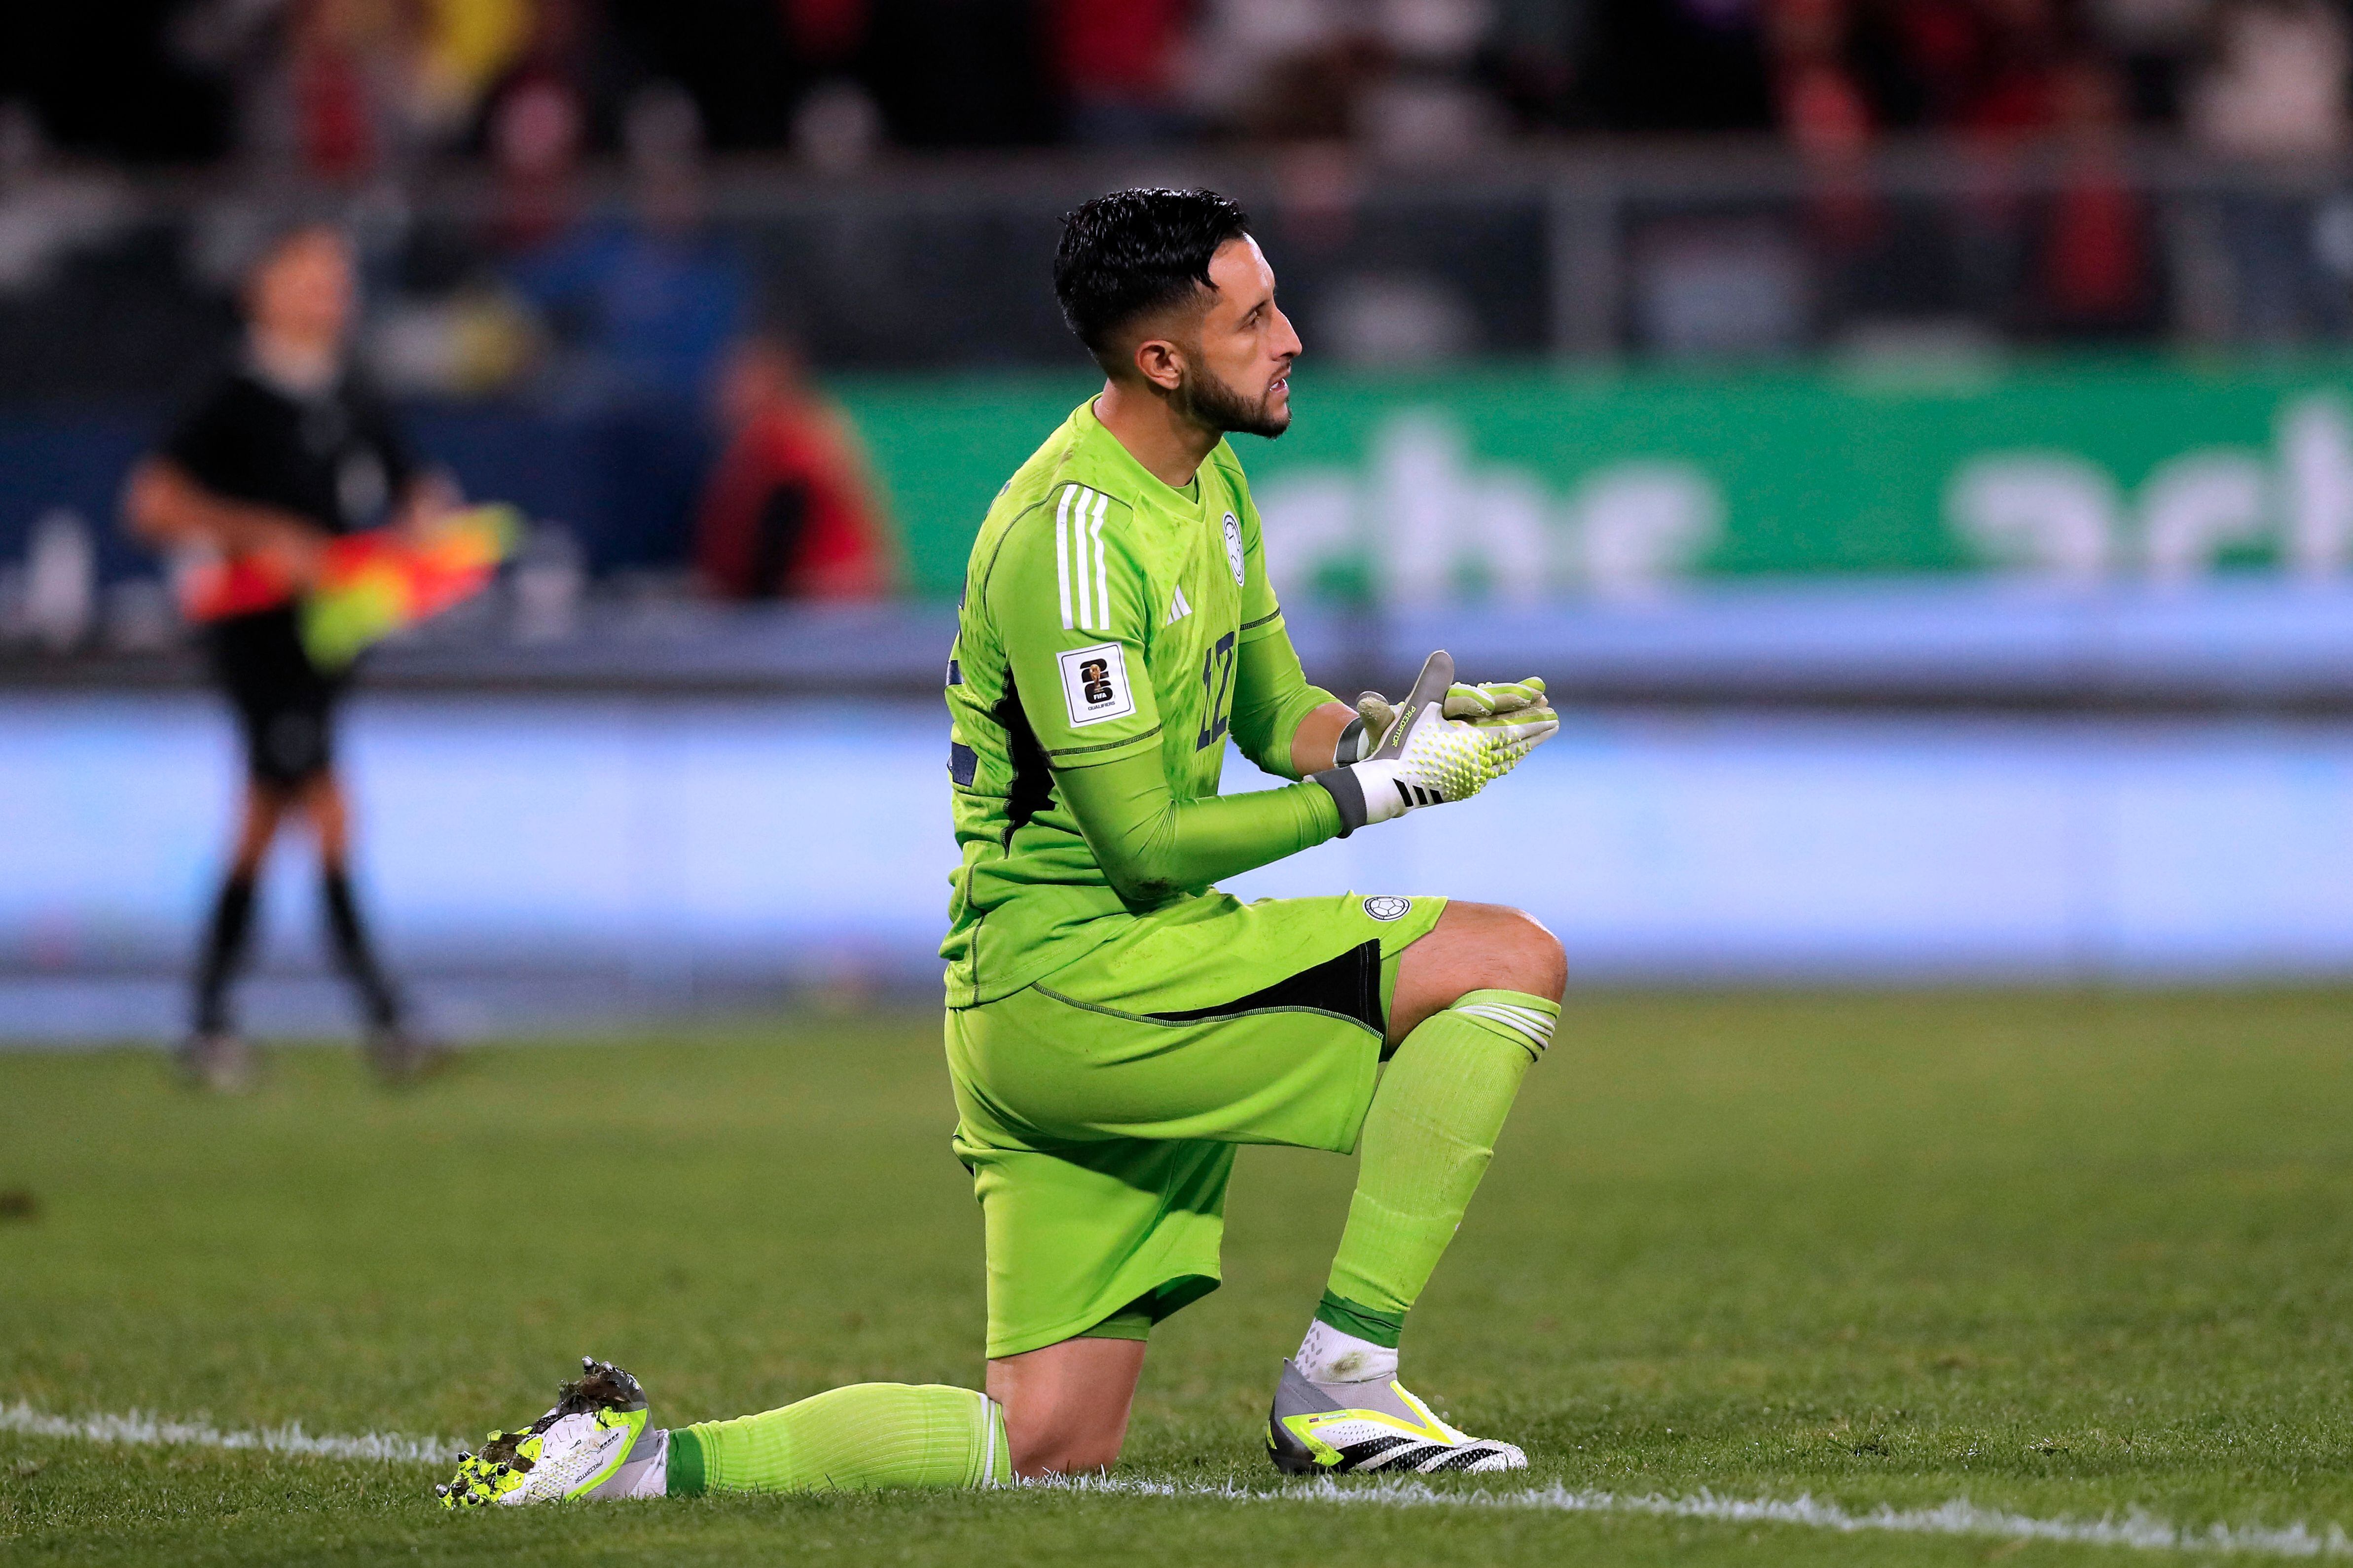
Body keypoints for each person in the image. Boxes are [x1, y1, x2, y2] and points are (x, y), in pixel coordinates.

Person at [441, 188, 1565, 1508]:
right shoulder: (1070, 545)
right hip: (1083, 980)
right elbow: (1145, 848)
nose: (1293, 338)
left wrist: (1392, 733)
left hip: (1054, 988)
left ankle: (634, 1466)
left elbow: (1274, 713)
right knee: (1503, 956)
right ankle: (1345, 1382)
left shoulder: (1203, 484)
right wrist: (1385, 797)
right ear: (1160, 357)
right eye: (1255, 315)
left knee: (1042, 1444)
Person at [125, 223, 443, 1091]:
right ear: (262, 288)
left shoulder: (348, 388)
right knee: (328, 810)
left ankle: (209, 1023)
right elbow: (151, 504)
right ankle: (386, 1018)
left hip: (329, 633)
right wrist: (263, 534)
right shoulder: (230, 392)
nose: (329, 296)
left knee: (263, 824)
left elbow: (408, 483)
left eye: (338, 280)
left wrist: (424, 522)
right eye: (310, 278)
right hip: (257, 636)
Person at [693, 336, 897, 601]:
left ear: (772, 382)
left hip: (826, 597)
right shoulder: (750, 445)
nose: (728, 391)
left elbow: (781, 525)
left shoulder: (791, 438)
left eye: (742, 380)